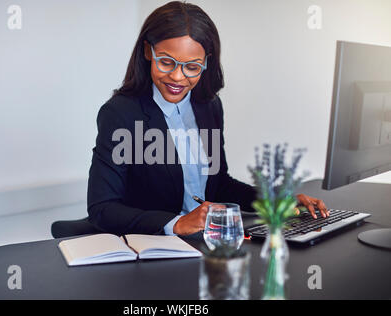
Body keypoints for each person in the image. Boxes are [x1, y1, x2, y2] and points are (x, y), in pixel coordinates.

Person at [87, 1, 329, 237]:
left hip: (205, 241)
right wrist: (177, 223)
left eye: (192, 67)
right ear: (148, 52)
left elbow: (219, 183)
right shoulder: (120, 113)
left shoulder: (208, 106)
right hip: (155, 249)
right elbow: (103, 208)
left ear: (206, 63)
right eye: (167, 62)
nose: (177, 77)